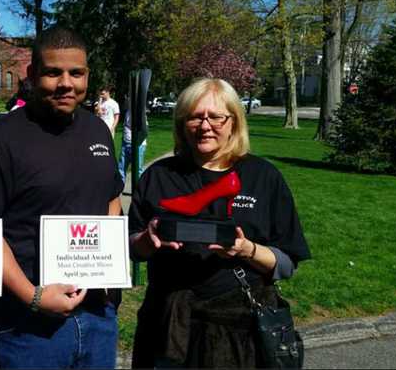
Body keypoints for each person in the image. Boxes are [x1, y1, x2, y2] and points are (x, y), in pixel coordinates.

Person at [0, 26, 124, 369]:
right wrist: (33, 297)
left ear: (87, 76)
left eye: (76, 73)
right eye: (53, 72)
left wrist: (110, 270)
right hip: (27, 326)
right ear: (32, 74)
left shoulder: (97, 130)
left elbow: (111, 197)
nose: (66, 83)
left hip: (96, 316)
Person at [128, 78, 311, 368]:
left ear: (234, 122)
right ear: (182, 123)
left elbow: (287, 263)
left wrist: (247, 250)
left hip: (238, 331)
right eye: (195, 117)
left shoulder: (263, 176)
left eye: (215, 117)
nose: (204, 126)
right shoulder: (159, 175)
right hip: (167, 325)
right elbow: (132, 247)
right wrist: (146, 242)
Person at [117, 104, 147, 184]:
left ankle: (138, 191)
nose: (128, 99)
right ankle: (119, 189)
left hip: (138, 145)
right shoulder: (128, 111)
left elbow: (144, 131)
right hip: (125, 143)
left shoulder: (140, 113)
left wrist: (138, 142)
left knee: (137, 170)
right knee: (121, 168)